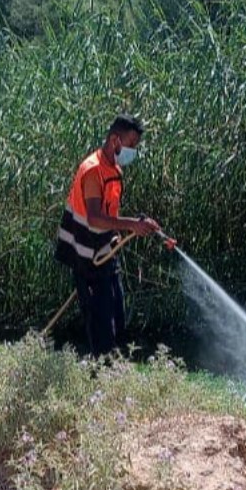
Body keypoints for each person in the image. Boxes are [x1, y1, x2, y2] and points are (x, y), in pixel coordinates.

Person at [55, 114, 161, 357]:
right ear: (115, 140)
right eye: (131, 144)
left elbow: (110, 213)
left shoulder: (114, 168)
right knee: (101, 327)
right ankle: (101, 381)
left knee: (117, 319)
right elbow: (93, 218)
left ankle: (114, 376)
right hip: (87, 258)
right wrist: (132, 225)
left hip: (106, 253)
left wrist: (137, 223)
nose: (133, 151)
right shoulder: (93, 170)